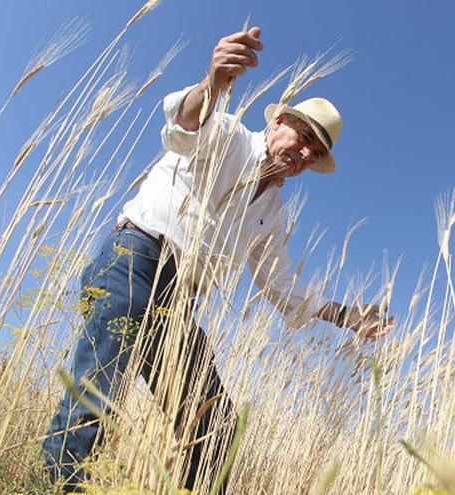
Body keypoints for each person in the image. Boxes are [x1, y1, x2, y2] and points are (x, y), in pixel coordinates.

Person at [42, 26, 395, 493]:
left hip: (178, 301)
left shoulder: (272, 214)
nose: (305, 151)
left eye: (316, 151)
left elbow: (282, 287)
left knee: (214, 428)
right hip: (136, 258)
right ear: (276, 124)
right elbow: (184, 129)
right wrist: (214, 82)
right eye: (303, 135)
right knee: (98, 390)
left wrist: (348, 316)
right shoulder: (227, 134)